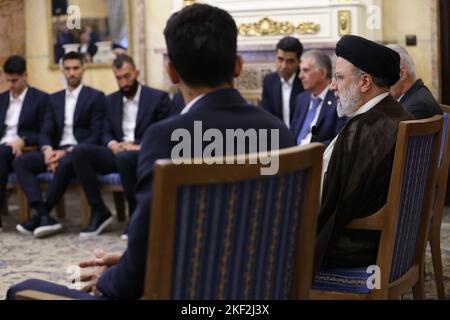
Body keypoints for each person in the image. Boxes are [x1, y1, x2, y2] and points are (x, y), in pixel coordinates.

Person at [7, 3, 295, 300]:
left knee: (21, 290)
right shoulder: (279, 134)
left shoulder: (165, 139)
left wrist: (108, 279)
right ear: (238, 65)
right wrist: (127, 261)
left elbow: (134, 277)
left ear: (171, 72)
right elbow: (233, 237)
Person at [315, 35, 414, 270]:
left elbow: (332, 205)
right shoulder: (396, 114)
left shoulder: (368, 130)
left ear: (365, 82)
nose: (332, 86)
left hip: (355, 247)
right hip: (387, 242)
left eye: (339, 77)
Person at [72, 54, 172, 239]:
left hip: (144, 154)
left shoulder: (158, 98)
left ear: (136, 73)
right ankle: (99, 211)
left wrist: (139, 146)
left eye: (127, 76)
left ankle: (136, 218)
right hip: (119, 153)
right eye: (119, 78)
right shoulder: (110, 101)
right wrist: (112, 144)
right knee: (80, 152)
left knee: (125, 158)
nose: (124, 82)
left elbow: (164, 133)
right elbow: (105, 131)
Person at [13, 51, 106, 239]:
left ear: (83, 69)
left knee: (70, 159)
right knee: (21, 162)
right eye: (68, 69)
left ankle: (41, 215)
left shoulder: (95, 96)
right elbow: (45, 130)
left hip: (80, 153)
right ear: (62, 71)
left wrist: (66, 153)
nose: (72, 73)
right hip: (56, 150)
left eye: (76, 68)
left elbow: (96, 136)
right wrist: (47, 150)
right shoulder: (53, 99)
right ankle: (44, 213)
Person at [0, 56, 48, 232]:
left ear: (25, 75)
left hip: (23, 149)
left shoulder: (40, 99)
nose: (11, 85)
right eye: (8, 81)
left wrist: (24, 140)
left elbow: (45, 132)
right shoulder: (2, 99)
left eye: (15, 80)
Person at [291, 50, 346, 147]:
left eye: (306, 70)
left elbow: (338, 140)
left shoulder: (338, 99)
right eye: (300, 71)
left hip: (318, 157)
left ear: (322, 73)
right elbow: (293, 132)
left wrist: (309, 152)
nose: (300, 76)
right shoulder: (301, 99)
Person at [387, 44, 442, 119]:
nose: (382, 84)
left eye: (385, 76)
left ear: (402, 74)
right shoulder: (417, 93)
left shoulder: (417, 107)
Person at [261, 36, 304, 128]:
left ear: (299, 62)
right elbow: (266, 116)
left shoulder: (305, 81)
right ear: (275, 57)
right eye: (280, 59)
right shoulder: (269, 81)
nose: (284, 66)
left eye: (290, 61)